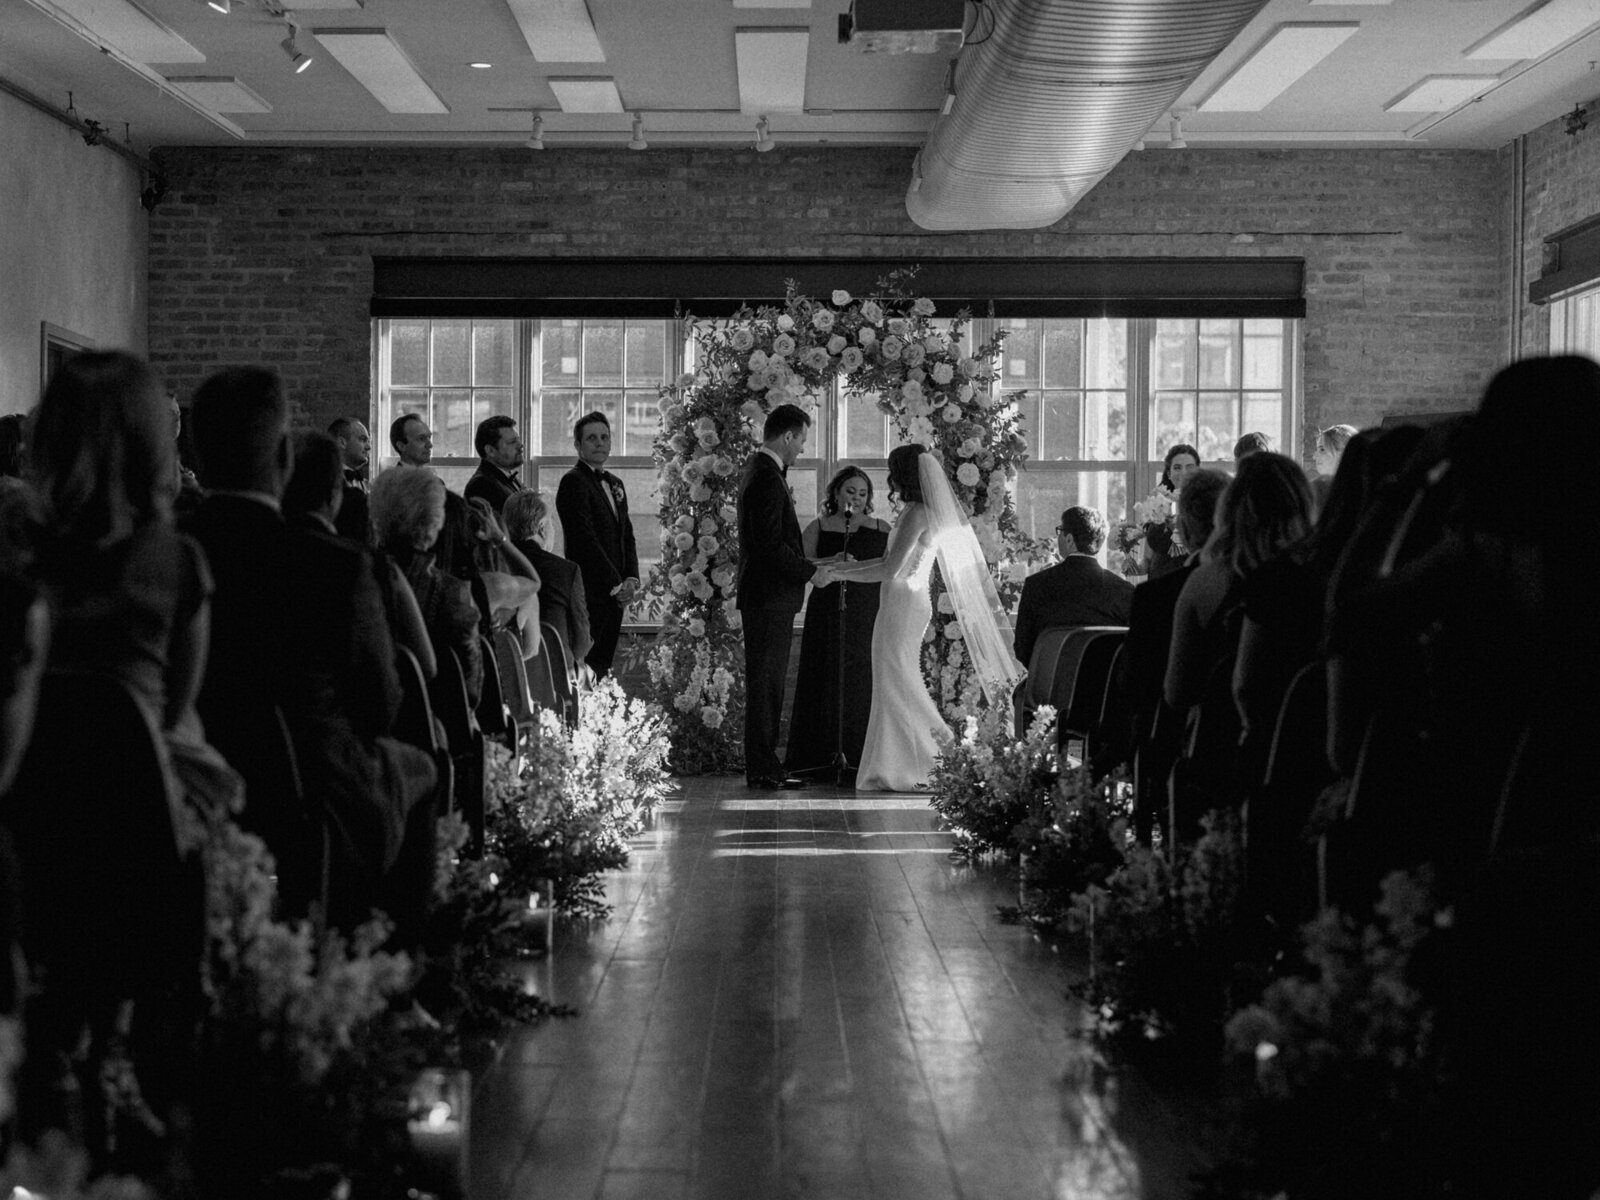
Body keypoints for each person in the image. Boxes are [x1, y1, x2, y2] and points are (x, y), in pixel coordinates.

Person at [186, 367, 436, 928]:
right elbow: (380, 705)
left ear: (196, 455)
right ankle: (395, 965)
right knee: (421, 768)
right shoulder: (336, 564)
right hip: (310, 783)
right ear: (282, 461)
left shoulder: (171, 551)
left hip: (190, 780)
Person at [830, 445, 1022, 792]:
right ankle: (895, 764)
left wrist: (840, 573)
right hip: (901, 601)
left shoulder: (918, 513)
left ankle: (943, 757)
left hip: (903, 602)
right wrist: (843, 568)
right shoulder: (915, 511)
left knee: (900, 681)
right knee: (893, 682)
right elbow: (887, 564)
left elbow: (891, 568)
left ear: (900, 475)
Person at [1165, 451, 1313, 715]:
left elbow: (1177, 692)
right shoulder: (1318, 575)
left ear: (1230, 508)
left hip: (1223, 734)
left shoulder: (1206, 580)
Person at [736, 405, 833, 789]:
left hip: (768, 597)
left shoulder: (762, 472)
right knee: (765, 684)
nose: (803, 450)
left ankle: (766, 765)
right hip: (767, 598)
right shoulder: (764, 476)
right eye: (803, 440)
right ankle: (762, 767)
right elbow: (769, 547)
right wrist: (812, 573)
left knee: (769, 683)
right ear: (787, 436)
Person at [785, 466, 890, 777]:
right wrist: (832, 562)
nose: (856, 499)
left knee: (861, 677)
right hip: (826, 609)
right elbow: (802, 563)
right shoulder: (819, 525)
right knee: (824, 673)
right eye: (850, 492)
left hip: (867, 610)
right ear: (835, 493)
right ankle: (819, 754)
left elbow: (891, 566)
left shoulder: (882, 527)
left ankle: (859, 752)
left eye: (862, 493)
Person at [371, 465, 484, 708]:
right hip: (433, 721)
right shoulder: (452, 592)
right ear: (435, 524)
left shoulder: (359, 575)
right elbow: (471, 690)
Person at [556, 411, 638, 677]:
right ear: (578, 445)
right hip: (590, 591)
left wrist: (631, 579)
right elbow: (584, 540)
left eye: (605, 437)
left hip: (615, 594)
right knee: (587, 668)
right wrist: (616, 584)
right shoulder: (572, 482)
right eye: (592, 438)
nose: (600, 443)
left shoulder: (615, 483)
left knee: (603, 666)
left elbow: (627, 534)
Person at [1013, 505, 1133, 671]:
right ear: (1098, 543)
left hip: (1050, 689)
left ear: (1069, 539)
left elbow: (1022, 649)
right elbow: (1131, 651)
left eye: (1060, 531)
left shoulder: (1036, 585)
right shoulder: (1123, 590)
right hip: (1102, 691)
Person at [504, 489, 592, 668]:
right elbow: (581, 643)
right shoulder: (566, 571)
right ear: (542, 528)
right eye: (551, 522)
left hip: (504, 677)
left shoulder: (494, 565)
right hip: (555, 679)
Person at [1143, 443, 1200, 579]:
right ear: (1169, 473)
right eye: (1177, 468)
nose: (1184, 473)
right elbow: (1147, 558)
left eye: (1189, 467)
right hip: (1160, 575)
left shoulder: (1207, 504)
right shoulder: (1159, 502)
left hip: (1193, 577)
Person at [464, 415, 527, 513]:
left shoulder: (506, 476)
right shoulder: (481, 486)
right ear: (491, 451)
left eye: (518, 439)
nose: (520, 445)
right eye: (512, 442)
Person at [329, 415, 373, 543]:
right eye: (363, 440)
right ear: (342, 442)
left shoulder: (367, 484)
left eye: (369, 442)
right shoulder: (329, 481)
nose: (368, 447)